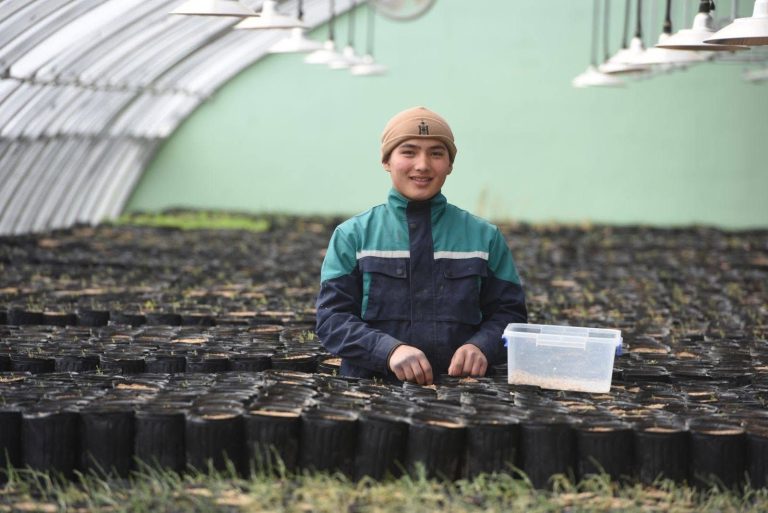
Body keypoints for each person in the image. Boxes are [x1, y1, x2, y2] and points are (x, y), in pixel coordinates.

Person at [315, 106, 527, 385]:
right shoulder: (353, 236)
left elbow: (510, 316)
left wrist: (481, 347)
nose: (423, 165)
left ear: (450, 164)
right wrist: (388, 351)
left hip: (461, 395)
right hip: (370, 393)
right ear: (386, 161)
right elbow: (332, 320)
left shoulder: (484, 237)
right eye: (409, 152)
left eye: (436, 153)